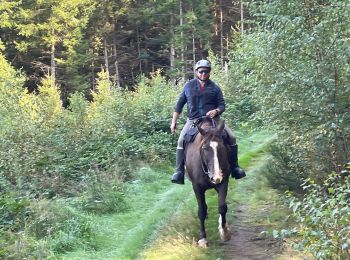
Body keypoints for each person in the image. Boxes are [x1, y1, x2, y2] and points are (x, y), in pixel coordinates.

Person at [170, 59, 246, 184]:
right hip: (193, 120)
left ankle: (235, 167)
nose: (203, 74)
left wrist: (216, 111)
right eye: (201, 71)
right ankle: (179, 172)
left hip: (213, 120)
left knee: (231, 137)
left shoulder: (215, 88)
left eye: (206, 72)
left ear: (209, 72)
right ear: (196, 72)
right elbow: (179, 106)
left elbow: (222, 105)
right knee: (181, 140)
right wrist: (173, 122)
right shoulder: (188, 86)